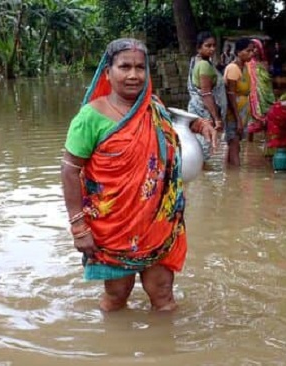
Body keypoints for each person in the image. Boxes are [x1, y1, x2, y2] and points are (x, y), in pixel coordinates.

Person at [61, 38, 216, 312]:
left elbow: (172, 121)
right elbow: (70, 170)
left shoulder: (153, 107)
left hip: (158, 222)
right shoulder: (90, 117)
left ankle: (167, 352)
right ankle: (113, 351)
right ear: (108, 72)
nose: (133, 75)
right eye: (125, 67)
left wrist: (198, 124)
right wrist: (78, 226)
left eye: (140, 67)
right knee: (117, 295)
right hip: (114, 227)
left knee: (163, 294)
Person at [187, 31, 227, 161]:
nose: (212, 49)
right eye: (208, 46)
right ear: (199, 47)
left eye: (214, 46)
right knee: (204, 146)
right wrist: (217, 118)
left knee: (199, 145)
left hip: (198, 108)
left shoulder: (197, 61)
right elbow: (206, 93)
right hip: (204, 110)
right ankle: (198, 178)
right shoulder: (204, 65)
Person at [223, 38, 254, 166]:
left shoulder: (245, 67)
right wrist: (238, 119)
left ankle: (229, 176)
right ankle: (236, 179)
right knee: (234, 143)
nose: (251, 53)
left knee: (234, 144)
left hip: (242, 112)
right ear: (239, 52)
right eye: (248, 50)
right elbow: (231, 95)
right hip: (234, 113)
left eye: (252, 50)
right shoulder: (233, 68)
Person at [246, 38, 275, 140]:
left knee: (268, 119)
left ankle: (268, 144)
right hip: (252, 97)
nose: (254, 50)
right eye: (252, 48)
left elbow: (267, 81)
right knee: (252, 122)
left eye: (256, 48)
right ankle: (249, 146)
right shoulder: (247, 63)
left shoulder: (264, 63)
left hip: (265, 95)